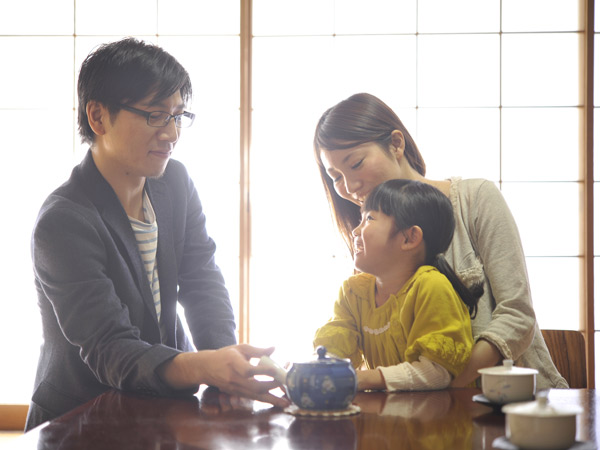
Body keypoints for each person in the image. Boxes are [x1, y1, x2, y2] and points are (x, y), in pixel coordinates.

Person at [26, 37, 286, 431]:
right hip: (80, 418)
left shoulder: (174, 183)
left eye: (179, 115)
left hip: (162, 408)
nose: (172, 133)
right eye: (155, 115)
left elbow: (201, 280)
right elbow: (109, 347)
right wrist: (206, 367)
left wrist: (224, 363)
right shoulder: (64, 220)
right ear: (98, 117)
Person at [313, 92, 568, 389]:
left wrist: (441, 379)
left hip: (514, 406)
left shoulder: (475, 199)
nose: (349, 186)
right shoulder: (370, 234)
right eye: (335, 176)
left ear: (396, 144)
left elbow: (517, 315)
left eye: (355, 163)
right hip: (422, 415)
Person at [314, 179, 483, 390]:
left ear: (409, 238)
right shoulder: (353, 292)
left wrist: (362, 379)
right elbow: (333, 348)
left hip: (437, 420)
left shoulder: (431, 286)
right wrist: (317, 367)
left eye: (368, 219)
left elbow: (436, 372)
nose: (356, 231)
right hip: (387, 416)